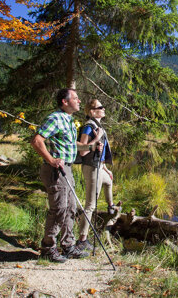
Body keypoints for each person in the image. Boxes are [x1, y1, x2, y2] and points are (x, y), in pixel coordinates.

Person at [31, 88, 94, 263]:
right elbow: (37, 140)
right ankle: (48, 248)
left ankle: (68, 245)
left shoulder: (68, 120)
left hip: (67, 168)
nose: (79, 101)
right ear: (65, 102)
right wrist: (51, 160)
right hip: (56, 170)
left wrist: (91, 146)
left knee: (70, 208)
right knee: (59, 209)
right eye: (76, 98)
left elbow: (71, 145)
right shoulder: (55, 118)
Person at [76, 98, 116, 251]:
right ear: (92, 112)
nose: (104, 109)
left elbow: (100, 151)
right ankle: (82, 240)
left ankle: (111, 207)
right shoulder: (88, 127)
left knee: (109, 181)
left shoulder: (98, 126)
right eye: (101, 107)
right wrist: (97, 139)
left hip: (99, 167)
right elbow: (83, 150)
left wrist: (106, 169)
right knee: (90, 205)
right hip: (91, 168)